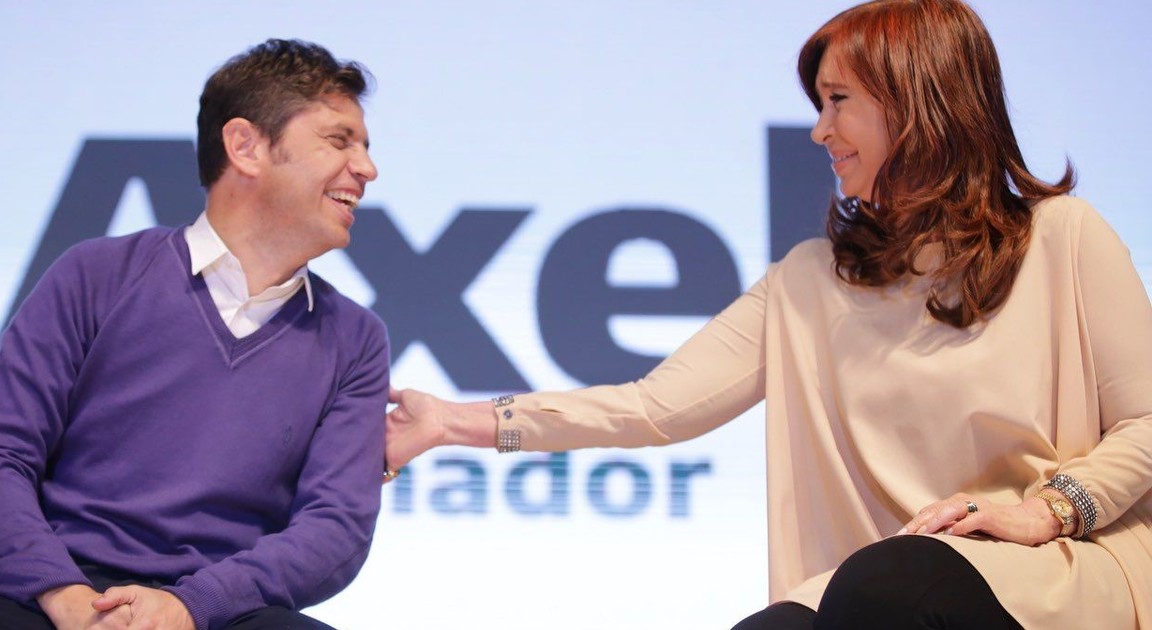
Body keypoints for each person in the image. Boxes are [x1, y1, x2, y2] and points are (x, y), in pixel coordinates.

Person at [385, 1, 1152, 627]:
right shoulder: (809, 280)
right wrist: (451, 423)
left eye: (838, 101)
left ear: (919, 101)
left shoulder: (1062, 236)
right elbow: (654, 408)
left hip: (1053, 569)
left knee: (890, 586)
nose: (820, 130)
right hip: (869, 590)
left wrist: (1050, 511)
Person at [0, 39, 388, 630]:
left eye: (365, 147)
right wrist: (63, 594)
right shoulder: (95, 276)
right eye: (339, 141)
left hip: (227, 610)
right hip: (58, 598)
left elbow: (335, 528)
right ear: (245, 146)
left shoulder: (356, 340)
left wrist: (190, 607)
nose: (366, 169)